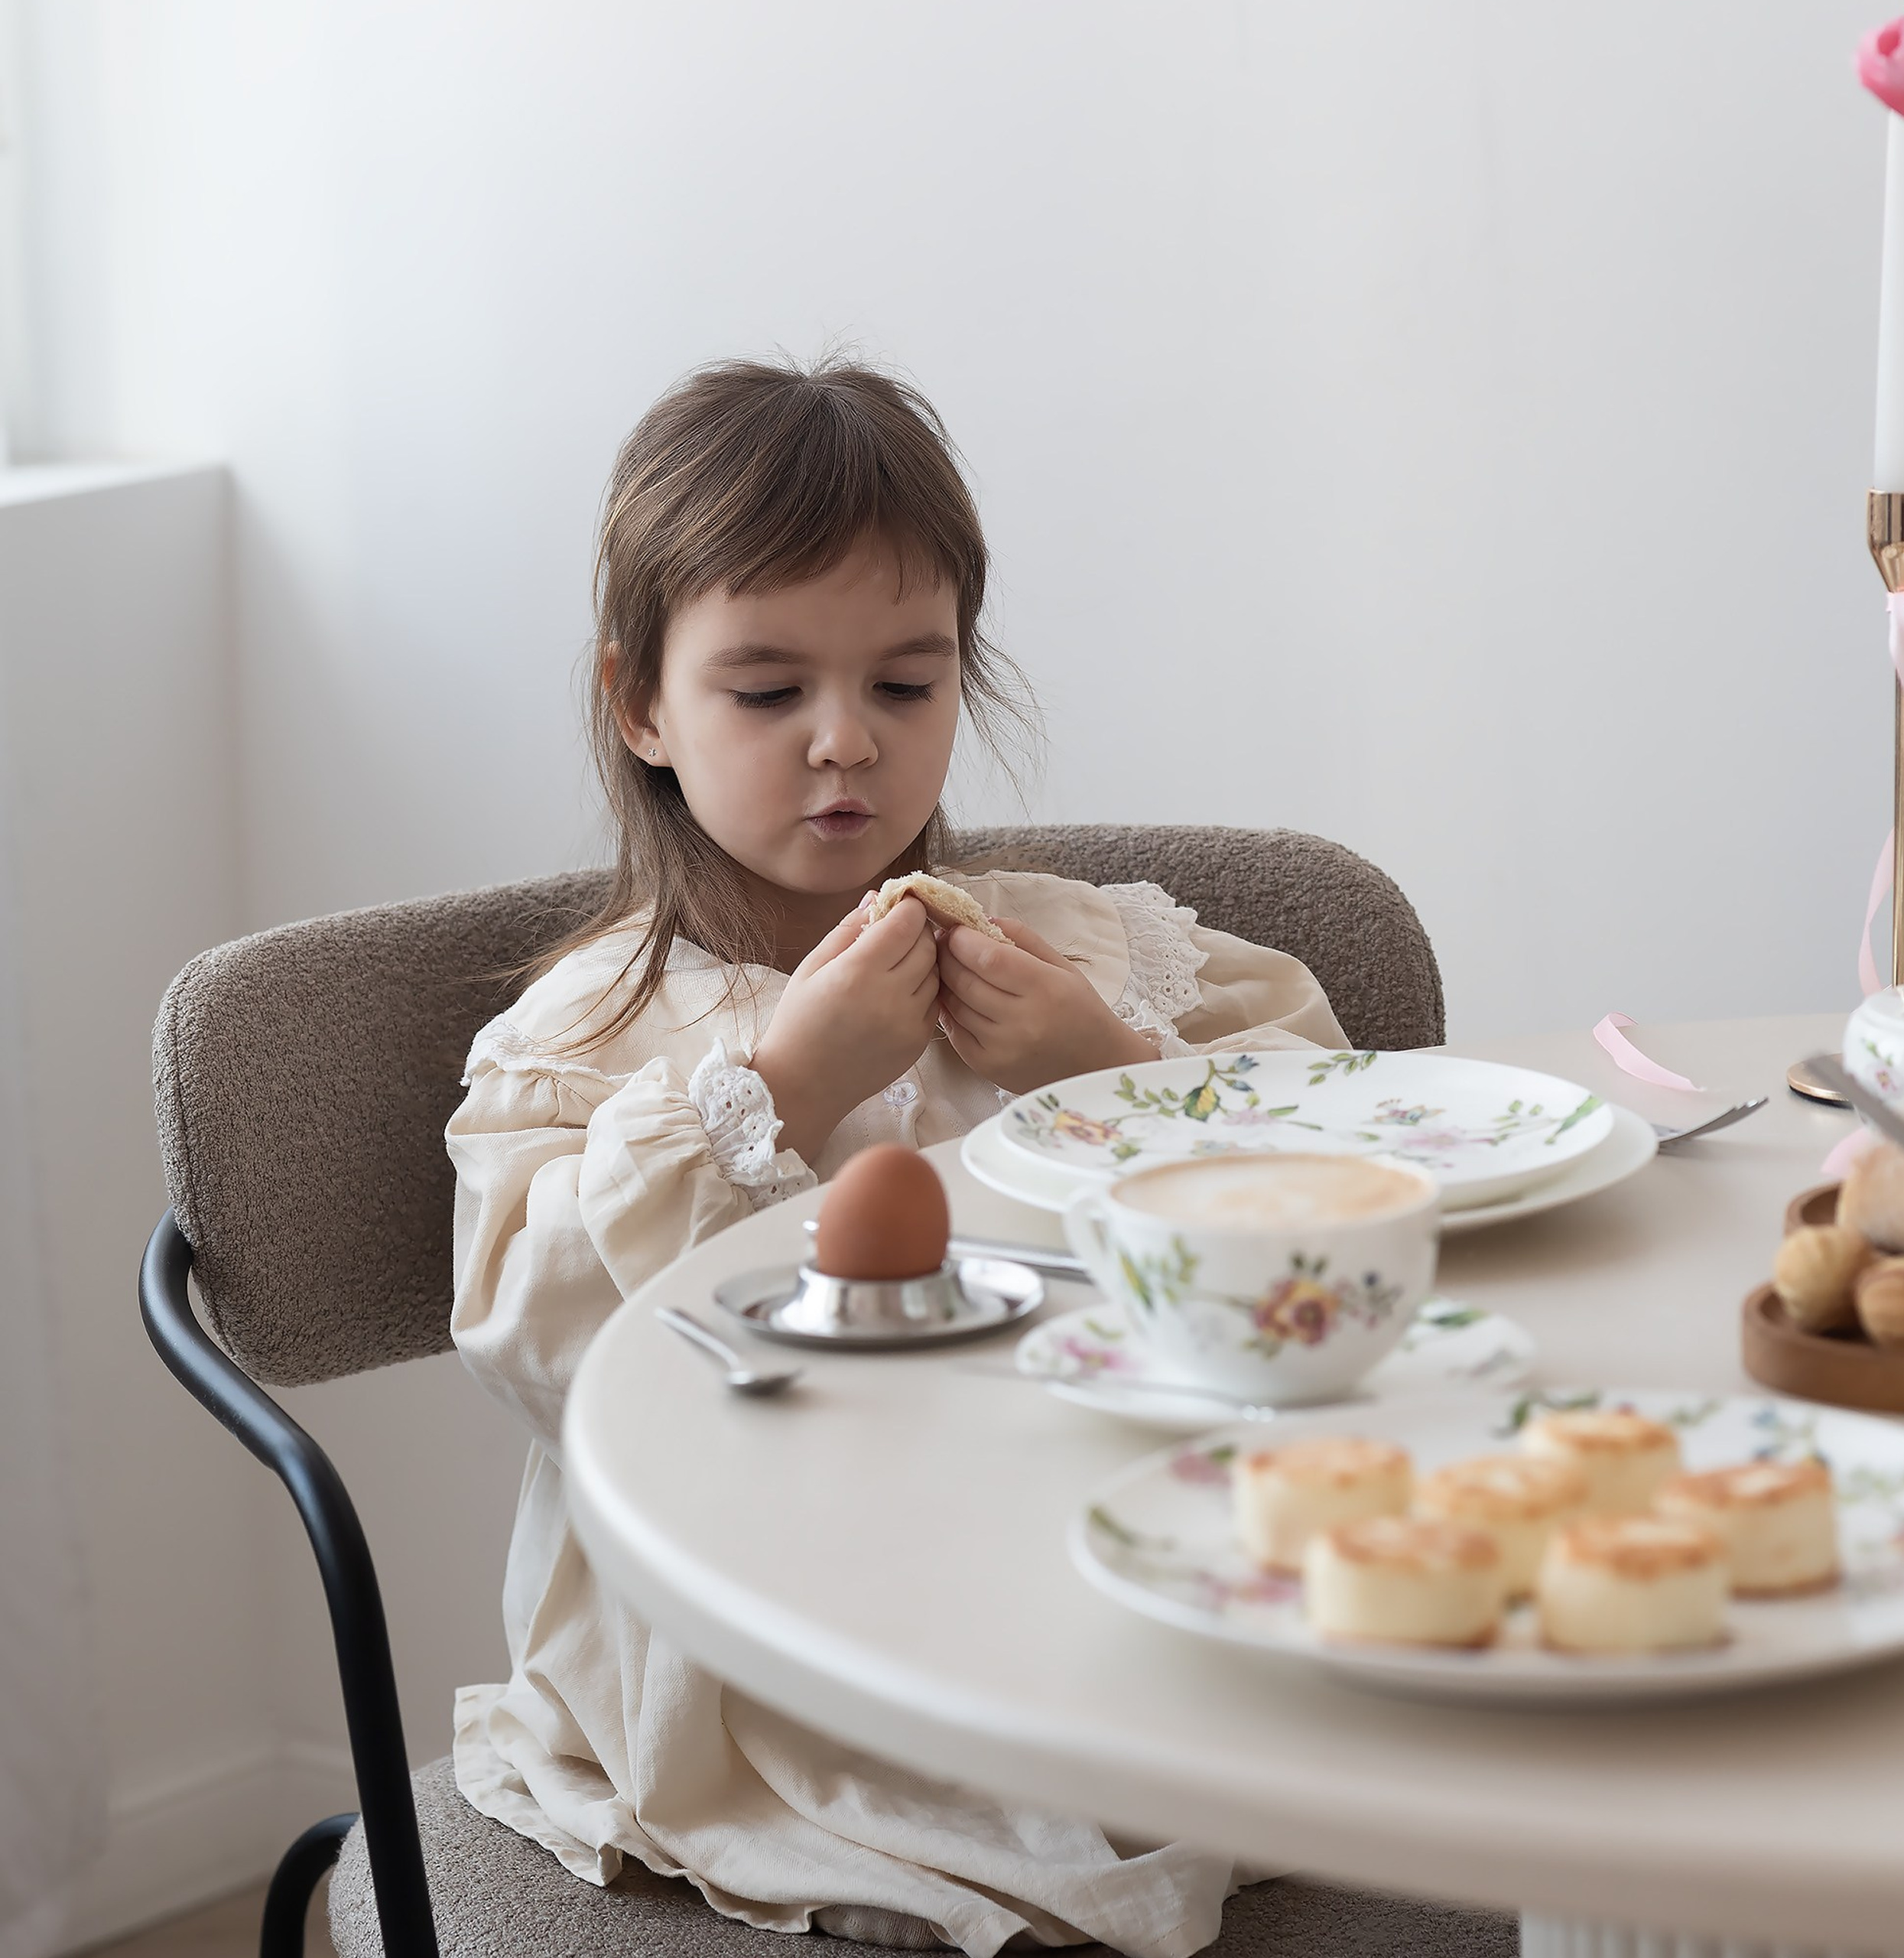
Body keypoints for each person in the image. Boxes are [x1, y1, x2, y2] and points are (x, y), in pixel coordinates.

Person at [447, 356, 1347, 1958]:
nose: (843, 743)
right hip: (756, 1636)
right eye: (768, 688)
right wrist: (775, 1091)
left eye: (905, 686)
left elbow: (1339, 1196)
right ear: (639, 700)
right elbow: (534, 1341)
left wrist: (1103, 1071)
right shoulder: (596, 1034)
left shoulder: (1078, 956)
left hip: (1091, 1562)